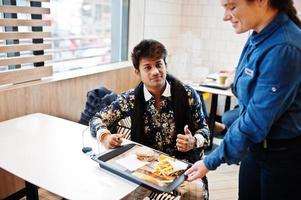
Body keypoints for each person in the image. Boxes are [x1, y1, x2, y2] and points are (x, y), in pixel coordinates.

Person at [185, 0, 301, 200]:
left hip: (281, 156)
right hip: (255, 148)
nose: (225, 16)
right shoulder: (258, 35)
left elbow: (255, 121)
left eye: (232, 7)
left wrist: (210, 161)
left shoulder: (284, 47)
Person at [90, 39, 210, 199]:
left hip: (183, 165)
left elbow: (205, 131)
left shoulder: (188, 94)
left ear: (165, 65)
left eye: (159, 65)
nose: (155, 71)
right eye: (148, 67)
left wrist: (194, 141)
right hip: (144, 168)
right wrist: (105, 136)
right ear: (137, 72)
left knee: (195, 192)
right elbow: (97, 119)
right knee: (122, 194)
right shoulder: (130, 99)